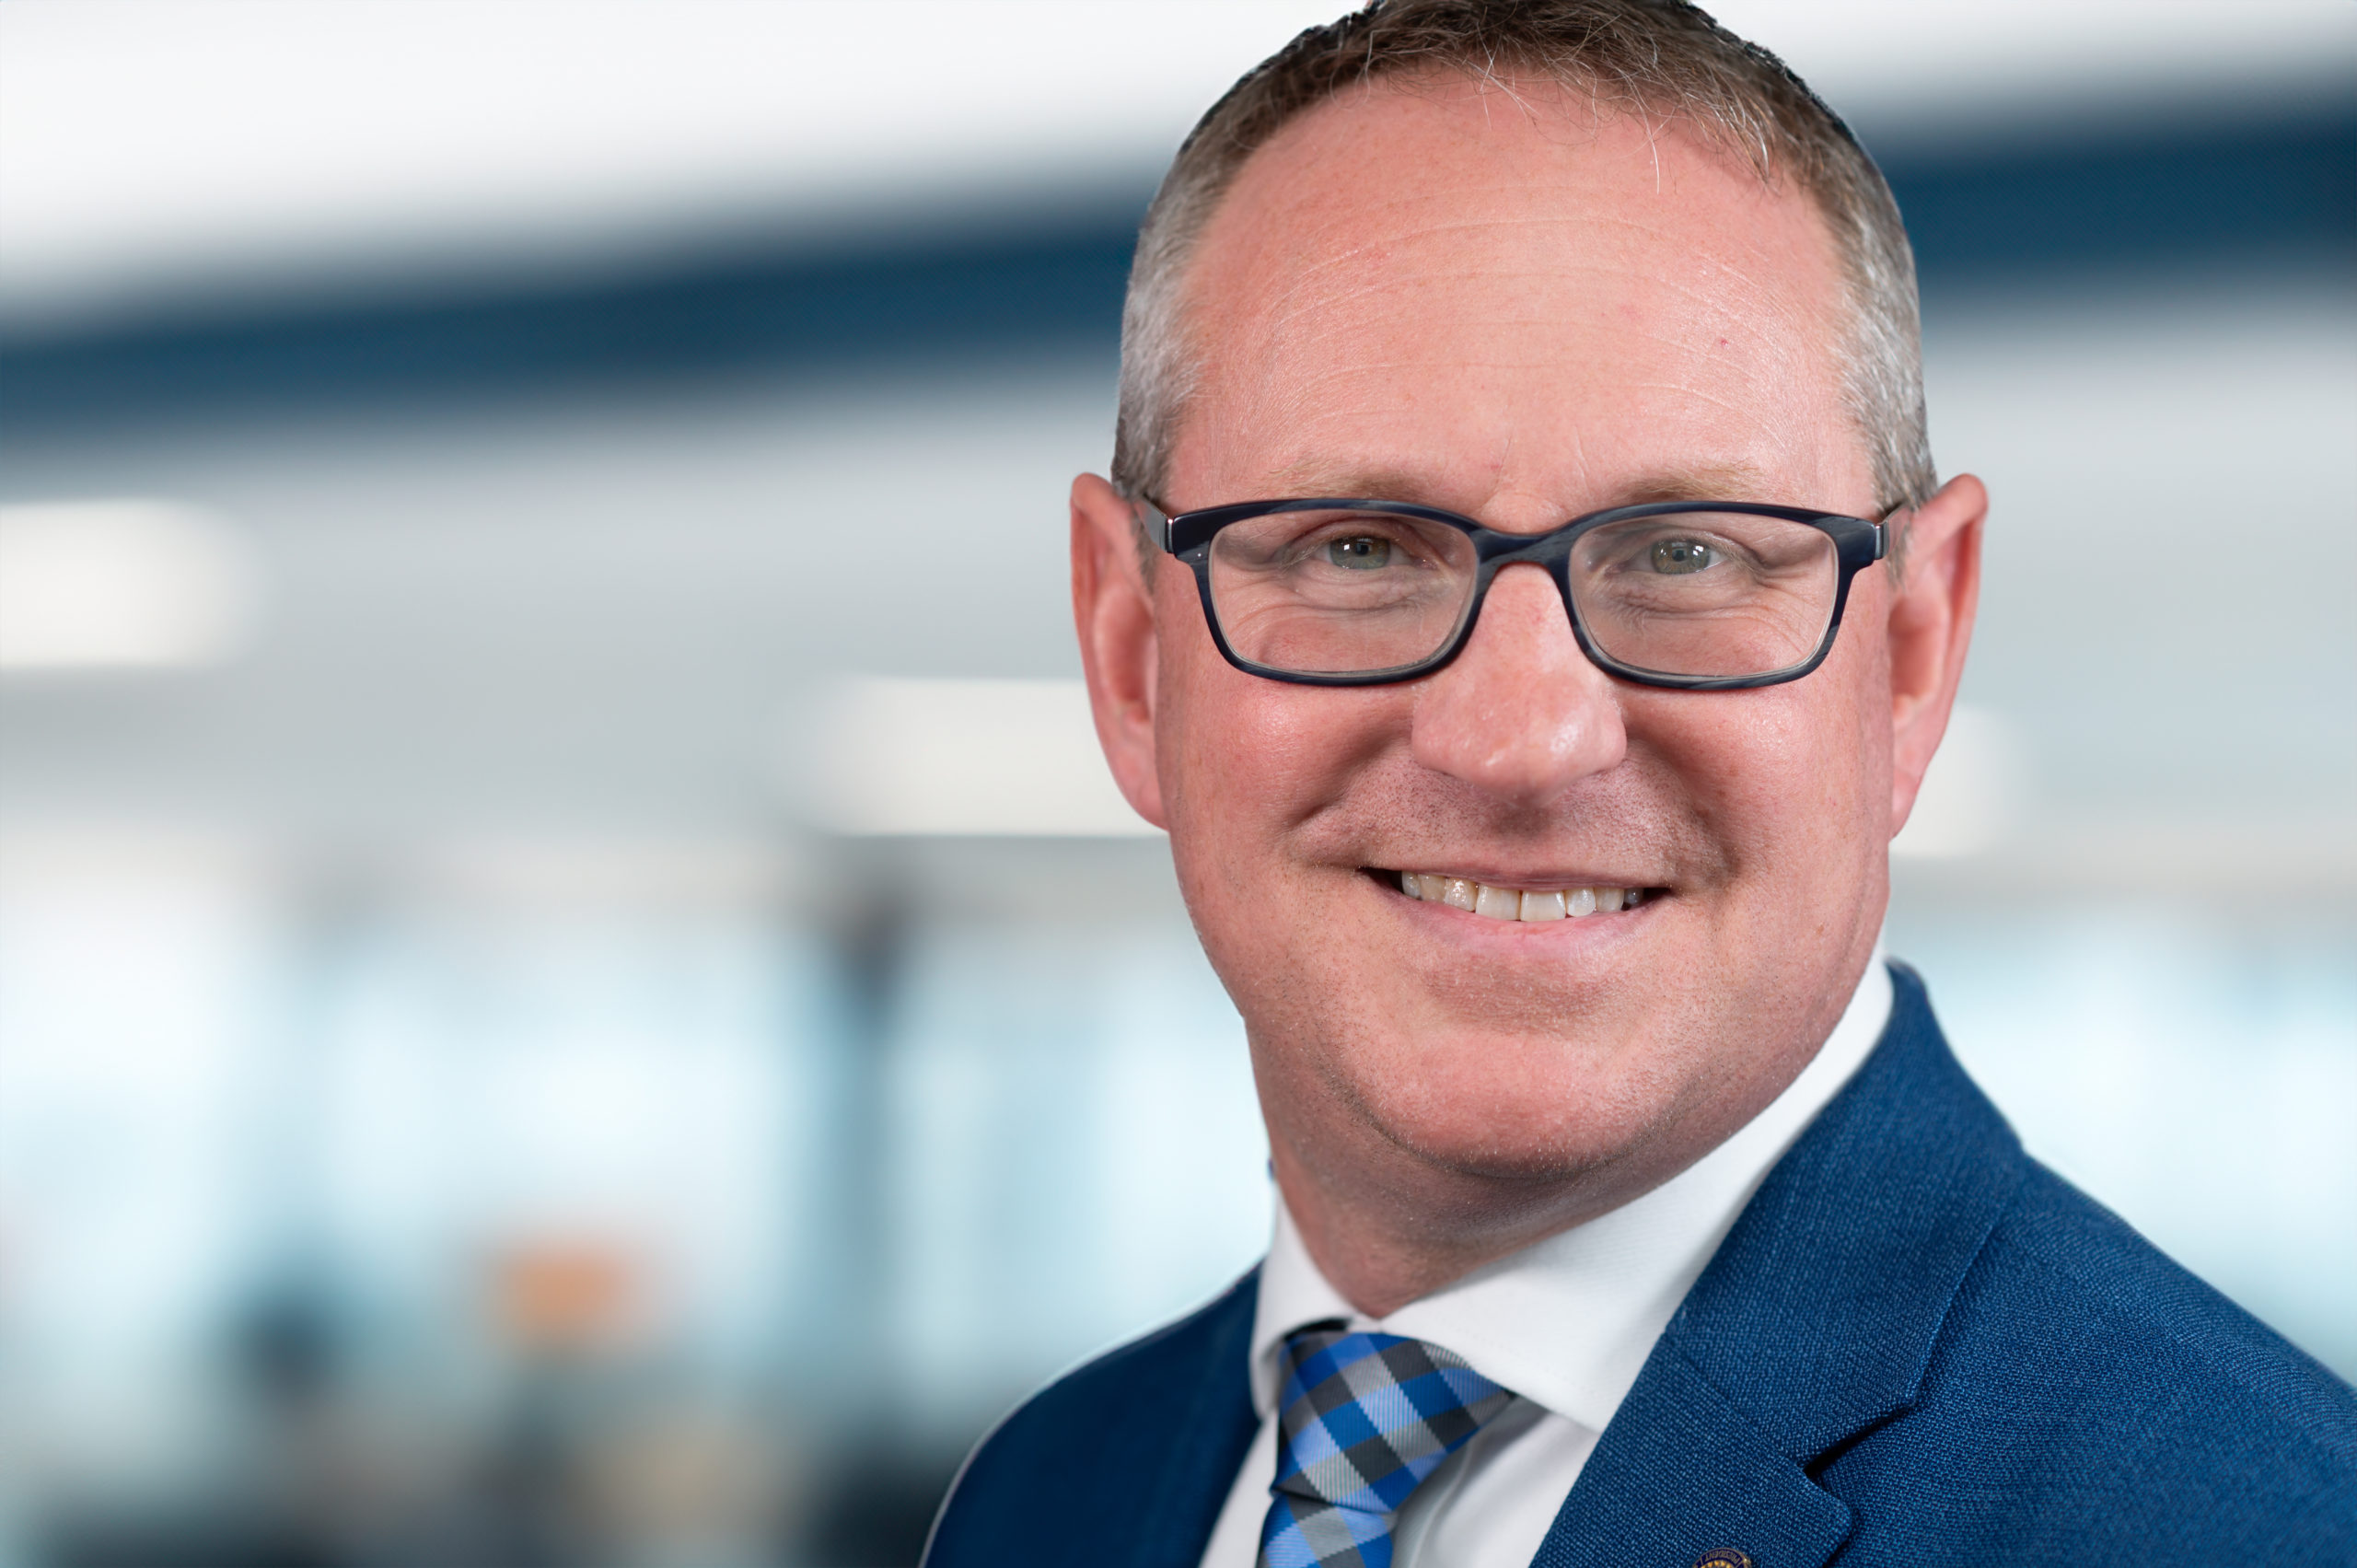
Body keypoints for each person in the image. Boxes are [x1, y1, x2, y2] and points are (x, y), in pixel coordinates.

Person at [923, 2, 2357, 1562]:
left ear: (1914, 655)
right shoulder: (1050, 1491)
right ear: (1133, 653)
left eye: (1686, 554)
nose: (1522, 738)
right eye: (1356, 549)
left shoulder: (2258, 1523)